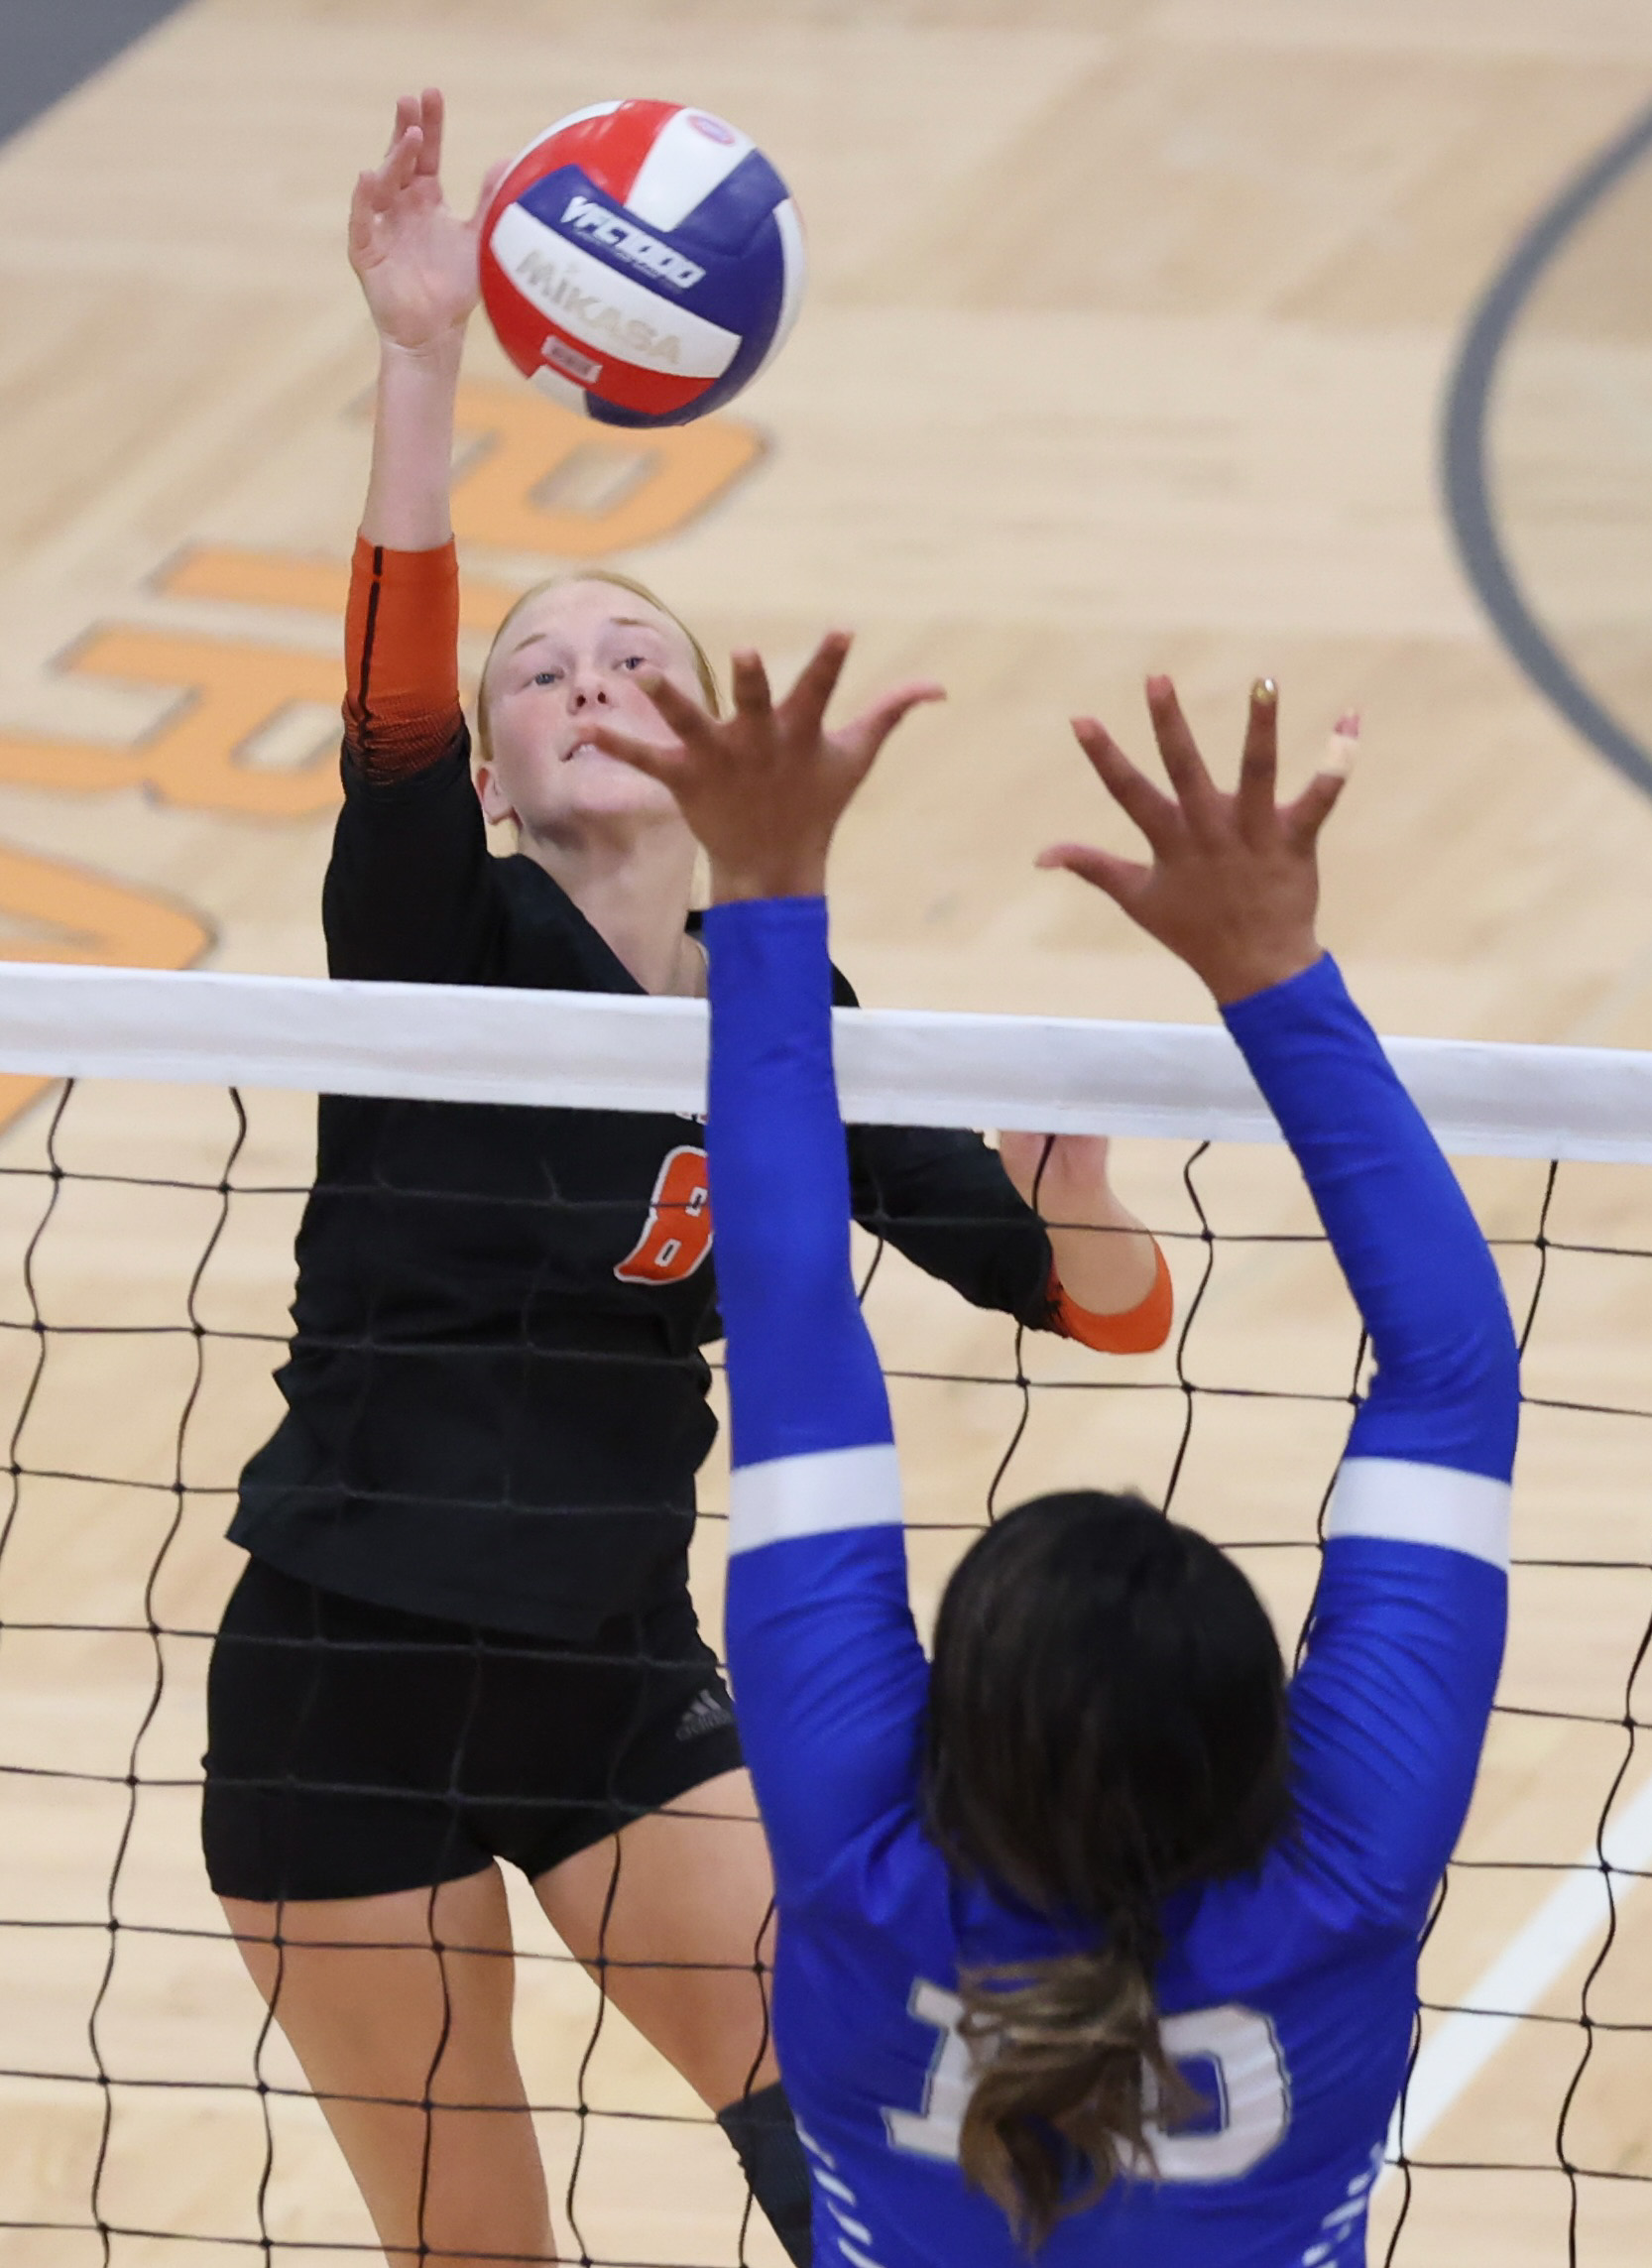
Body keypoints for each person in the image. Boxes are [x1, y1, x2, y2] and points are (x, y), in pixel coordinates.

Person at [199, 89, 1172, 2268]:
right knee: (478, 2249)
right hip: (345, 1684)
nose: (590, 679)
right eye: (540, 670)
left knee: (878, 2138)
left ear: (713, 732)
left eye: (637, 653)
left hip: (612, 1673)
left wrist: (1078, 1190)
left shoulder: (787, 1006)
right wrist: (423, 358)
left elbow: (1105, 1308)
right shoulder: (438, 935)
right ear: (499, 770)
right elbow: (389, 709)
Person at [590, 651, 1519, 2262]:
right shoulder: (1339, 1876)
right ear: (1258, 1732)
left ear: (952, 1719)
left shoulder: (867, 1867)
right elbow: (1454, 1379)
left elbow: (787, 1317)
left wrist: (761, 889)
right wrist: (1272, 974)